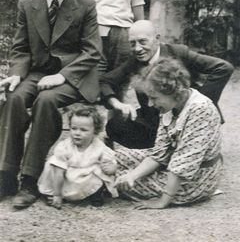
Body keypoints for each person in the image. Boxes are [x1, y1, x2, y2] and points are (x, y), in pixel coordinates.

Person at [0, 0, 102, 209]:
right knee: (15, 97)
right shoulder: (28, 4)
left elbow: (92, 53)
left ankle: (30, 180)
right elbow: (20, 49)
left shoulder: (85, 6)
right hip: (36, 73)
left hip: (74, 76)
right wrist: (14, 75)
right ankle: (7, 174)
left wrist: (61, 76)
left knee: (46, 101)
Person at [100, 20, 233, 149]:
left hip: (185, 117)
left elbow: (223, 68)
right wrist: (118, 104)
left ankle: (178, 145)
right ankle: (166, 148)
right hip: (155, 118)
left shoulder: (179, 52)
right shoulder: (134, 61)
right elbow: (105, 81)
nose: (137, 49)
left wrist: (196, 105)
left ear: (157, 39)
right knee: (115, 126)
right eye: (132, 43)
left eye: (142, 42)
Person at [114, 57, 223, 209]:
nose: (151, 104)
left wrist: (163, 201)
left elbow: (183, 163)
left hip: (195, 178)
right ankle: (91, 173)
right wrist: (132, 175)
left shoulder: (200, 109)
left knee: (118, 178)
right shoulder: (171, 106)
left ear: (173, 90)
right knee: (115, 158)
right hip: (172, 164)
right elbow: (159, 153)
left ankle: (93, 180)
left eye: (154, 98)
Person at [38, 104, 118, 209]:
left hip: (86, 176)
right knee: (53, 165)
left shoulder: (99, 146)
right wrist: (57, 194)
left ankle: (94, 194)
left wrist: (111, 169)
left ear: (95, 131)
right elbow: (59, 173)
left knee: (100, 172)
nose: (77, 133)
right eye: (74, 128)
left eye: (83, 130)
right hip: (65, 177)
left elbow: (110, 161)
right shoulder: (64, 147)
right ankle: (54, 194)